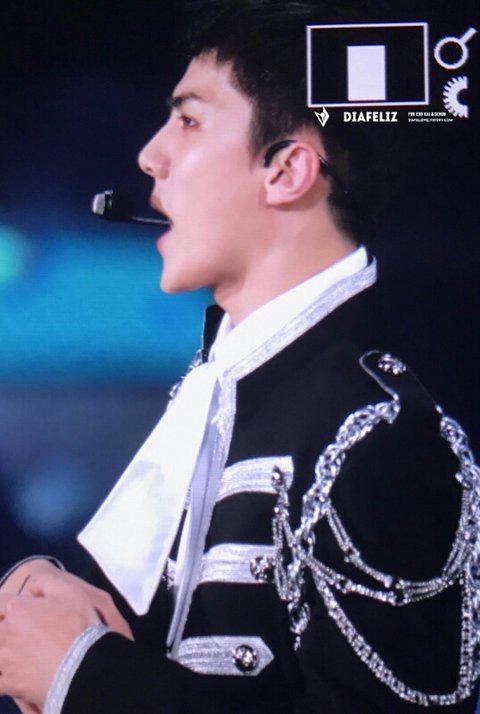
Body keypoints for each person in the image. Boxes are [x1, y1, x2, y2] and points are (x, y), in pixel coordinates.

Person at [0, 1, 479, 712]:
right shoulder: (223, 397)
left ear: (286, 170)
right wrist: (73, 615)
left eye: (189, 120)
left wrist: (86, 675)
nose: (150, 155)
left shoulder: (380, 434)